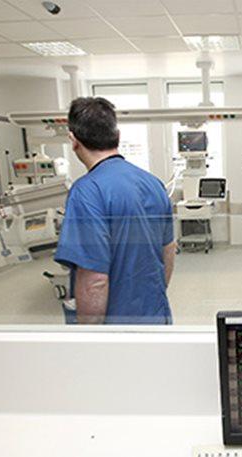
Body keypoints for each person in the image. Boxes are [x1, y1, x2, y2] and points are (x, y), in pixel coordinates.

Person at [54, 97, 176, 324]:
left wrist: (89, 335)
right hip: (157, 318)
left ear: (73, 140)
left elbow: (94, 280)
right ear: (117, 136)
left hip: (118, 329)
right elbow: (168, 251)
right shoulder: (153, 183)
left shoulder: (86, 192)